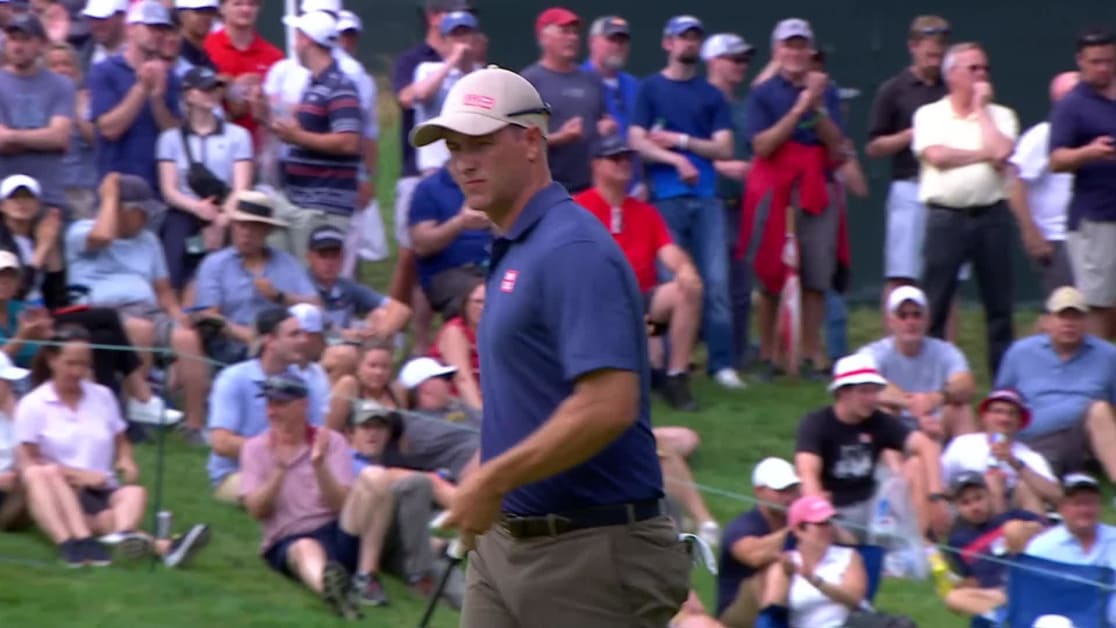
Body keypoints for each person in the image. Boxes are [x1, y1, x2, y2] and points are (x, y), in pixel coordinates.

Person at [412, 66, 689, 626]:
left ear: (531, 141)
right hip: (506, 541)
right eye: (454, 147)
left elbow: (609, 404)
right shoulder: (517, 244)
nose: (464, 161)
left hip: (589, 552)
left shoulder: (572, 247)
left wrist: (490, 479)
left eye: (482, 144)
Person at [14, 325, 210, 567]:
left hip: (104, 487)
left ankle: (125, 537)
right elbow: (29, 463)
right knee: (59, 486)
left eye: (84, 364)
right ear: (52, 360)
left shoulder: (102, 396)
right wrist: (76, 475)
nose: (78, 371)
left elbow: (121, 440)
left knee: (134, 494)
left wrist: (125, 459)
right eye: (71, 363)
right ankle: (163, 546)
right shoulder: (34, 404)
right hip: (63, 490)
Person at [629, 15, 740, 389]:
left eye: (694, 38)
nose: (688, 44)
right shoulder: (650, 89)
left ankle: (721, 365)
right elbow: (637, 140)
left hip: (707, 198)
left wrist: (679, 143)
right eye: (682, 38)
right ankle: (668, 366)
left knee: (715, 281)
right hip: (665, 200)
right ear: (668, 43)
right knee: (670, 283)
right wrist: (675, 162)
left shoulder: (711, 95)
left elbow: (724, 147)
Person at [65, 172, 210, 439]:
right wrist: (110, 196)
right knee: (140, 329)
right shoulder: (81, 231)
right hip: (103, 312)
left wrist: (180, 319)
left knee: (187, 339)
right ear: (118, 210)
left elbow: (164, 292)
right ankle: (139, 409)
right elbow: (102, 236)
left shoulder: (149, 240)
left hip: (149, 310)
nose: (147, 218)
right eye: (140, 211)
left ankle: (194, 426)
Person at [740, 18, 845, 380]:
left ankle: (809, 355)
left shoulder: (827, 92)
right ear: (777, 52)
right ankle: (770, 355)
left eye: (801, 46)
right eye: (789, 45)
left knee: (816, 276)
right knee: (770, 275)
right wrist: (800, 108)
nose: (795, 53)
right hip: (775, 189)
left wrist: (816, 108)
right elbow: (763, 145)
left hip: (816, 189)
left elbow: (838, 146)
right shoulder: (763, 93)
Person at [241, 372, 393, 615]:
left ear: (302, 406)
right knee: (305, 547)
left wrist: (320, 465)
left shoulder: (331, 441)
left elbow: (340, 505)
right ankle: (331, 591)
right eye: (269, 404)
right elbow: (255, 510)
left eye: (280, 404)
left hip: (335, 529)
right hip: (288, 537)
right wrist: (280, 469)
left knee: (376, 477)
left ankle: (366, 577)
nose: (271, 411)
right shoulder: (255, 448)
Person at [912, 41, 1018, 375]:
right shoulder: (929, 115)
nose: (982, 74)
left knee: (999, 305)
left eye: (985, 68)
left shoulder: (1002, 115)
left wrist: (982, 110)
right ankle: (930, 379)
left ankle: (1003, 386)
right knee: (936, 303)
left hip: (992, 216)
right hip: (946, 218)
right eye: (973, 68)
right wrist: (983, 154)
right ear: (952, 74)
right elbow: (937, 157)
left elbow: (1002, 152)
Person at [573, 135, 703, 410]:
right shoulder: (577, 209)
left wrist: (685, 268)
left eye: (627, 158)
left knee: (689, 287)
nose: (623, 164)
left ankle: (676, 376)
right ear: (596, 165)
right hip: (599, 302)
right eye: (614, 158)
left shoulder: (646, 212)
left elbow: (669, 251)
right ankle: (648, 367)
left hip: (642, 299)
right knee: (638, 367)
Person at [795, 353, 949, 541]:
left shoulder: (878, 421)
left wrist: (936, 497)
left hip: (873, 504)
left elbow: (927, 446)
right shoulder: (816, 424)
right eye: (864, 391)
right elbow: (807, 474)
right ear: (843, 392)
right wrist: (822, 515)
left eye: (874, 391)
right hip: (834, 509)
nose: (872, 398)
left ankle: (924, 547)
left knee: (915, 465)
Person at [864, 15, 950, 314]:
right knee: (901, 274)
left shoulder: (952, 89)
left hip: (947, 189)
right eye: (929, 53)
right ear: (913, 47)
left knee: (945, 275)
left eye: (940, 54)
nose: (935, 60)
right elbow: (874, 146)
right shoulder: (894, 90)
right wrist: (914, 133)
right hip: (909, 188)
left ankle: (945, 351)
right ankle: (894, 347)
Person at [262, 10, 362, 260]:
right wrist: (262, 116)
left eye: (297, 37)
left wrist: (299, 138)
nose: (294, 44)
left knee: (312, 287)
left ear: (306, 39)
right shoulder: (313, 84)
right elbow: (296, 131)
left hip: (321, 208)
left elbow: (349, 142)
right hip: (297, 201)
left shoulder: (341, 86)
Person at [206, 307, 329, 502]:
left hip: (292, 471)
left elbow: (317, 437)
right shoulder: (234, 379)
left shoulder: (305, 384)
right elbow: (221, 443)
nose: (303, 340)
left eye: (303, 334)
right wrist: (277, 452)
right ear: (269, 340)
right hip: (236, 474)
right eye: (294, 335)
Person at [995, 286, 1116, 481]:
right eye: (1062, 316)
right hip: (1033, 440)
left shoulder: (1108, 356)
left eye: (1075, 317)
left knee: (1100, 410)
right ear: (1047, 321)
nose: (1069, 324)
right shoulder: (1020, 352)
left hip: (1081, 438)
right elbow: (999, 403)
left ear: (1085, 322)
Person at [156, 64, 253, 292]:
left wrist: (222, 219)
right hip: (186, 213)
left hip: (226, 210)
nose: (212, 93)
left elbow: (242, 186)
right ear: (189, 95)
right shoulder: (170, 139)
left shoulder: (238, 136)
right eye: (205, 89)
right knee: (177, 261)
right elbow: (169, 190)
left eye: (214, 89)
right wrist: (197, 208)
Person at [191, 190, 318, 360]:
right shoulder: (215, 264)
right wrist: (249, 336)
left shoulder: (287, 263)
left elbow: (316, 306)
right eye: (241, 225)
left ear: (266, 230)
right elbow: (207, 316)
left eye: (254, 226)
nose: (246, 233)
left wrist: (279, 296)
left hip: (282, 348)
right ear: (233, 227)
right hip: (233, 349)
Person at [1050, 29, 1116, 338]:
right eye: (1095, 62)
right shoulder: (1073, 105)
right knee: (1097, 302)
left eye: (1108, 61)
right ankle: (1098, 377)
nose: (1103, 68)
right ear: (1081, 61)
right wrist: (1090, 152)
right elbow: (1056, 158)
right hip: (1096, 219)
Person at [857, 285, 976, 441]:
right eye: (903, 315)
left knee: (961, 409)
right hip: (897, 427)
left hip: (936, 424)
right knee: (884, 410)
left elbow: (966, 384)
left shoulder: (945, 351)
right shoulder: (874, 352)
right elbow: (862, 385)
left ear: (927, 320)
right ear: (890, 321)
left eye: (917, 315)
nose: (910, 322)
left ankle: (969, 464)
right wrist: (913, 405)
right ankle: (894, 465)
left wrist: (936, 398)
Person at [88, 0, 182, 192]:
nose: (158, 35)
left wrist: (157, 100)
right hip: (116, 185)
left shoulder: (169, 76)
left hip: (158, 187)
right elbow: (109, 129)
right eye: (151, 27)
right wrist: (141, 88)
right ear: (130, 29)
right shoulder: (105, 71)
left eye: (162, 29)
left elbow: (174, 136)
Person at [704, 32, 755, 372]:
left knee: (741, 286)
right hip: (709, 203)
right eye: (733, 60)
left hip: (743, 203)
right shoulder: (698, 100)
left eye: (743, 61)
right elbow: (680, 148)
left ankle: (736, 356)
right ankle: (712, 359)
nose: (741, 67)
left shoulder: (743, 107)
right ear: (714, 62)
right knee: (711, 286)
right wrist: (722, 165)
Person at [522, 7, 612, 195]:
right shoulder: (529, 81)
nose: (572, 38)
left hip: (592, 189)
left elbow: (602, 121)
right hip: (547, 190)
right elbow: (519, 142)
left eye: (575, 32)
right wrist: (560, 138)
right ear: (543, 37)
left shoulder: (591, 80)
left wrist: (606, 128)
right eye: (564, 31)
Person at [1007, 71, 1078, 300]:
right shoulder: (1043, 135)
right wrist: (1032, 233)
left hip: (1090, 236)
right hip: (1056, 239)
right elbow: (1015, 183)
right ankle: (1037, 337)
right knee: (1066, 312)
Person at [942, 471, 1048, 619]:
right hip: (999, 594)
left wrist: (1021, 531)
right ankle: (1006, 614)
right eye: (965, 503)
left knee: (1013, 528)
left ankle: (1027, 601)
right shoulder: (957, 542)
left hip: (1029, 579)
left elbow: (1048, 530)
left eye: (978, 498)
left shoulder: (1012, 517)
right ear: (957, 508)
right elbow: (972, 578)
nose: (975, 507)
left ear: (989, 495)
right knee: (953, 598)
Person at [941, 389, 1061, 515]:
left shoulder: (1028, 456)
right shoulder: (963, 445)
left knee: (1025, 487)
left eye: (1012, 413)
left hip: (1016, 519)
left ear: (1019, 421)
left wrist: (1014, 462)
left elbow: (1058, 496)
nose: (1004, 418)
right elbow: (941, 484)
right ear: (985, 417)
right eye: (998, 411)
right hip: (970, 515)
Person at [0, 12, 75, 212]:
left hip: (49, 197)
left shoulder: (61, 85)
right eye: (13, 39)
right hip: (4, 197)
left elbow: (59, 137)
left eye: (25, 39)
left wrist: (13, 136)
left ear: (41, 44)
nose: (17, 46)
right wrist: (40, 140)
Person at [759, 495, 868, 628]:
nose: (829, 529)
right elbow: (771, 615)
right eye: (821, 524)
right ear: (799, 530)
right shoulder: (786, 564)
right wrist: (787, 577)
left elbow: (855, 600)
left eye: (830, 522)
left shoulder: (849, 557)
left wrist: (814, 580)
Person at [717, 458, 801, 627]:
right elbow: (754, 556)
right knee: (775, 568)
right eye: (781, 491)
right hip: (736, 611)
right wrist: (797, 526)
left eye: (793, 489)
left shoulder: (803, 524)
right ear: (759, 491)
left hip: (792, 600)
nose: (789, 497)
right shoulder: (743, 525)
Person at [1025, 473, 1116, 625]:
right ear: (1062, 508)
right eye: (1077, 503)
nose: (1085, 509)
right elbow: (1031, 596)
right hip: (1065, 616)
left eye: (1090, 503)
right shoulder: (1041, 548)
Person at [408, 163, 492, 316]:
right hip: (448, 273)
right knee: (483, 295)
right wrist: (460, 222)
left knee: (529, 287)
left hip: (496, 266)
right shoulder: (429, 188)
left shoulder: (496, 181)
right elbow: (421, 246)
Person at [410, 9, 480, 175]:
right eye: (455, 35)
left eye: (466, 33)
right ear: (444, 41)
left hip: (472, 167)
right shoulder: (428, 70)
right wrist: (453, 60)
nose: (461, 39)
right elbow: (421, 95)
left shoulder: (481, 74)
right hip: (435, 166)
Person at [203, 0, 282, 141]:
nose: (246, 9)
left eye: (252, 4)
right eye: (238, 4)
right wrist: (226, 87)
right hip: (214, 143)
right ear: (222, 8)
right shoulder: (206, 47)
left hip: (259, 148)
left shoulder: (274, 56)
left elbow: (282, 111)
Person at [45, 41, 99, 220]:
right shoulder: (39, 101)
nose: (61, 69)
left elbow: (96, 140)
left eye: (66, 64)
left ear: (77, 70)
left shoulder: (90, 99)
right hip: (49, 188)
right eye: (54, 65)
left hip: (84, 189)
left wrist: (74, 107)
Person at [428, 278, 482, 410]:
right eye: (477, 302)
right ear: (465, 304)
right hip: (455, 405)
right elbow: (462, 380)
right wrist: (484, 417)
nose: (483, 307)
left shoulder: (494, 332)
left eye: (489, 302)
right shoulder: (456, 331)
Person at [0, 351, 30, 530]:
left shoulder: (11, 413)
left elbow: (27, 449)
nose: (10, 387)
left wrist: (12, 409)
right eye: (5, 381)